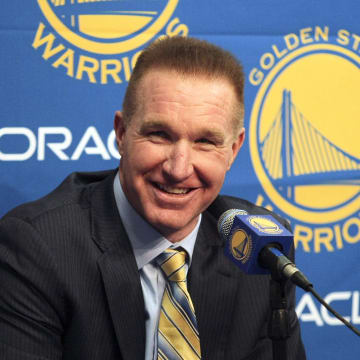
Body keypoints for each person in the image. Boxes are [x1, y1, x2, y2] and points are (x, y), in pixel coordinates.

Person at [0, 36, 306, 359]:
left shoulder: (259, 249)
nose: (178, 168)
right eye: (159, 135)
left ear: (233, 150)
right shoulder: (36, 247)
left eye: (205, 141)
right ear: (121, 134)